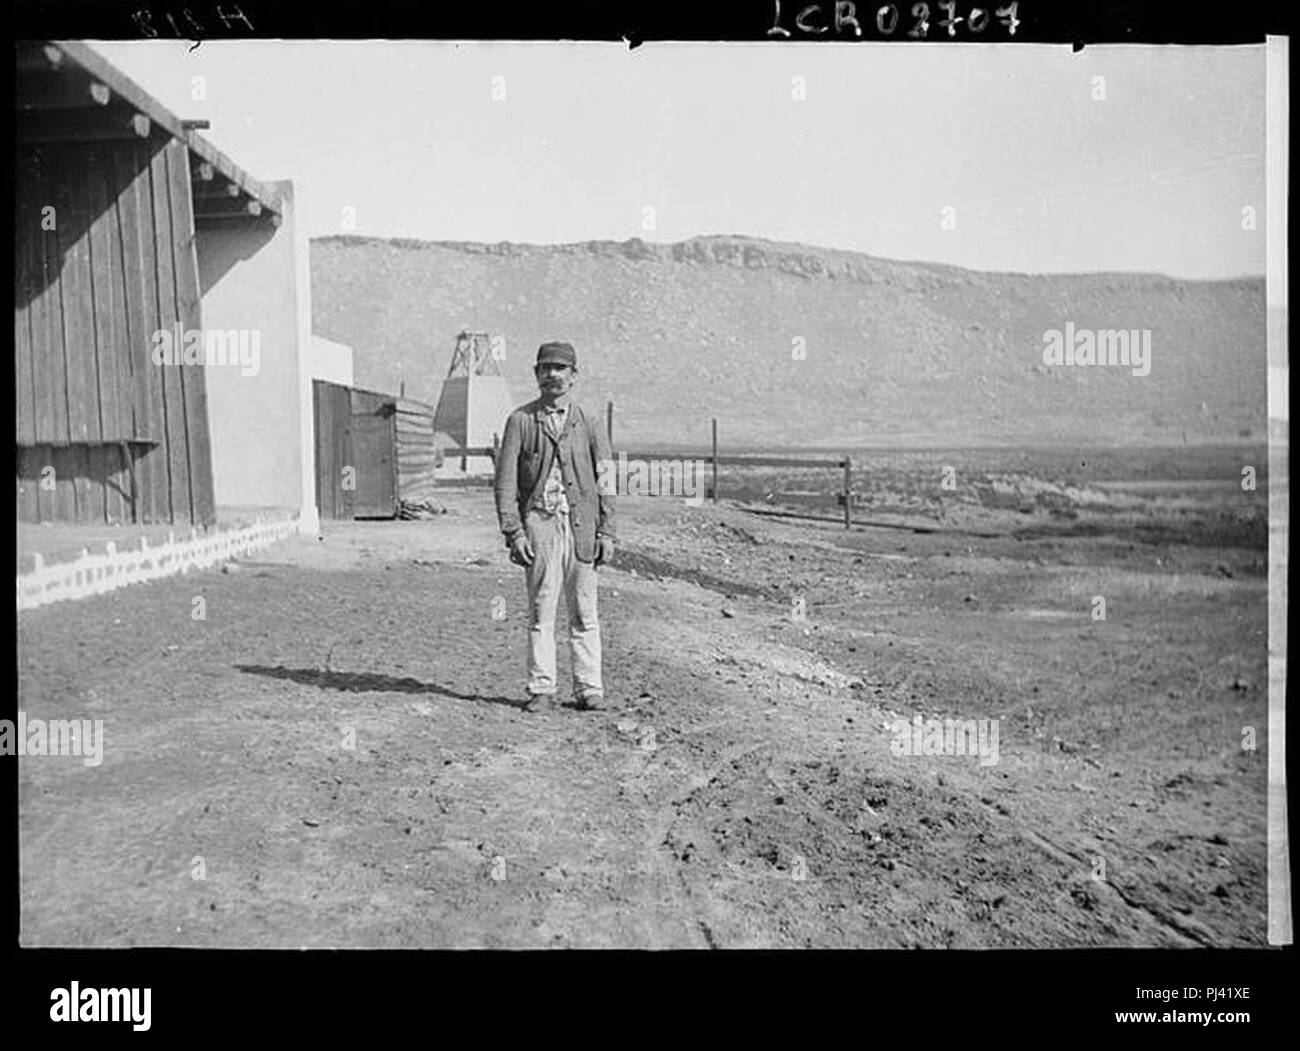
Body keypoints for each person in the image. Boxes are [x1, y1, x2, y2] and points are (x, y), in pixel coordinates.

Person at [493, 341, 615, 711]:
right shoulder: (520, 421)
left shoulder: (590, 422)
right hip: (540, 525)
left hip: (582, 527)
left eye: (560, 368)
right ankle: (542, 688)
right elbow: (505, 482)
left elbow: (605, 478)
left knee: (584, 611)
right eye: (546, 368)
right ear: (536, 374)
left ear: (574, 376)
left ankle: (589, 689)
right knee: (541, 609)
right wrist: (514, 531)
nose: (553, 375)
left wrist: (607, 532)